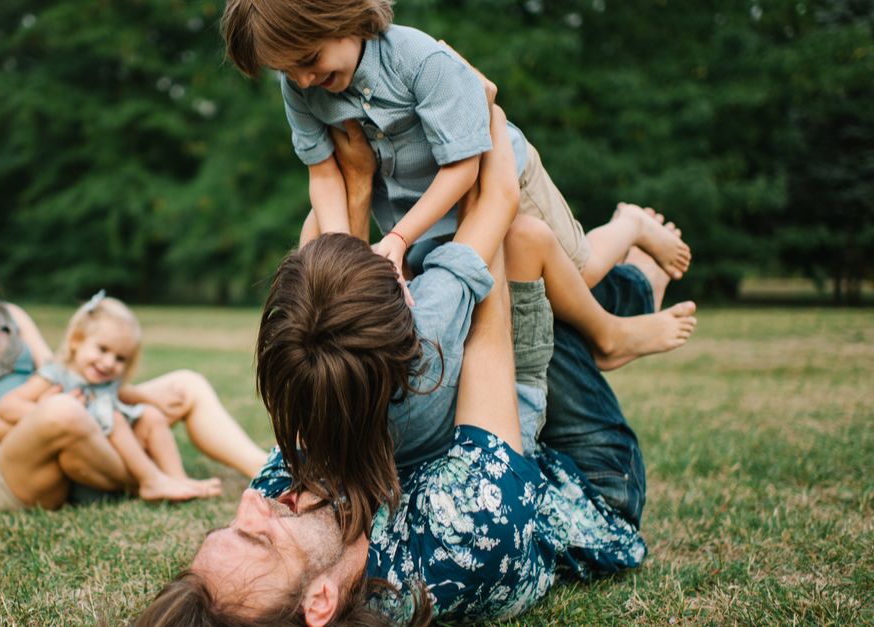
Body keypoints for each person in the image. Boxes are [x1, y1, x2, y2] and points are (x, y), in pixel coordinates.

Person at [135, 102, 676, 623]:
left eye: (231, 525)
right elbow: (491, 313)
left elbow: (332, 284)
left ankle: (632, 271)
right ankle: (637, 272)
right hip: (578, 478)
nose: (253, 499)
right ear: (320, 602)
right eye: (256, 537)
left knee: (383, 320)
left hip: (460, 439)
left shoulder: (288, 501)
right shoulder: (458, 542)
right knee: (525, 254)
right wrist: (476, 132)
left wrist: (358, 181)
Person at [220, 0, 697, 369]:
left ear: (344, 17)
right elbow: (324, 175)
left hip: (493, 173)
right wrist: (348, 254)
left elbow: (463, 169)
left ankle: (629, 226)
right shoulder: (302, 89)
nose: (303, 80)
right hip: (409, 203)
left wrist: (399, 239)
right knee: (480, 290)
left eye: (309, 59)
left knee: (578, 271)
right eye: (287, 71)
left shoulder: (421, 62)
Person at [0, 213, 268, 511]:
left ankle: (269, 471)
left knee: (186, 384)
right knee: (63, 411)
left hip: (71, 424)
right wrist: (51, 420)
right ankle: (150, 478)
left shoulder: (7, 315)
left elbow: (61, 369)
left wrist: (128, 399)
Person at [0, 291, 223, 502]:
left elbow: (125, 392)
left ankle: (178, 479)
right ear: (76, 340)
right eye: (102, 349)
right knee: (114, 418)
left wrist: (153, 400)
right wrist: (45, 412)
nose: (108, 363)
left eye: (120, 358)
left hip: (115, 455)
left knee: (152, 416)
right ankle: (151, 481)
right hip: (90, 466)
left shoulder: (105, 381)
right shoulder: (55, 375)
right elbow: (8, 405)